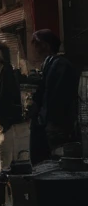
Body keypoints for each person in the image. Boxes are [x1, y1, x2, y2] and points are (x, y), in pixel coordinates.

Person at [28, 30, 80, 165]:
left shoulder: (60, 65)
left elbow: (57, 97)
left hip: (56, 126)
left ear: (44, 46)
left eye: (36, 44)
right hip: (49, 124)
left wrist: (50, 122)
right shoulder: (50, 64)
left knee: (54, 164)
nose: (33, 49)